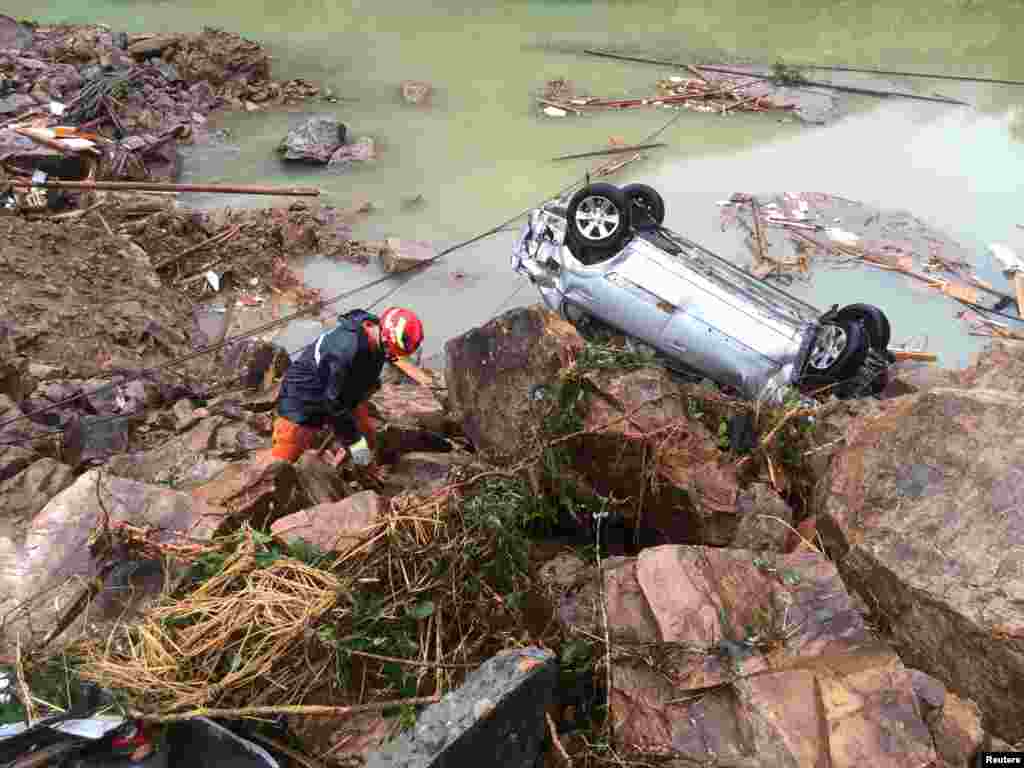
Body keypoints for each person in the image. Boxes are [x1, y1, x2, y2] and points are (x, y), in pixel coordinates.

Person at [271, 307, 424, 469]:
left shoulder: (374, 333)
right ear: (385, 340)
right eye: (391, 353)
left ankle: (363, 466)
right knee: (283, 463)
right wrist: (355, 443)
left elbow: (358, 378)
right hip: (301, 398)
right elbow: (335, 407)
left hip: (344, 392)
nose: (392, 357)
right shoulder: (344, 351)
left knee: (367, 437)